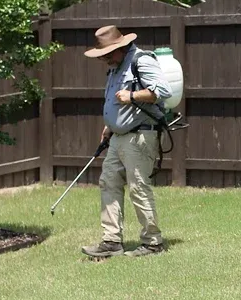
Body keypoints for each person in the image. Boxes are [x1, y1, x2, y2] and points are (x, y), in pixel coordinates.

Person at [81, 25, 173, 258]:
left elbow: (163, 90)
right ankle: (111, 242)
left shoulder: (141, 61)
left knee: (138, 187)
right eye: (102, 55)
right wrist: (109, 126)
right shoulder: (115, 67)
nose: (104, 59)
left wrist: (132, 96)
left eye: (108, 54)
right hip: (119, 137)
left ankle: (153, 243)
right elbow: (115, 102)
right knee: (108, 181)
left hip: (140, 136)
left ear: (120, 47)